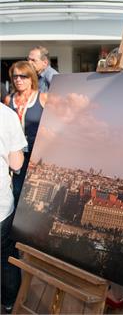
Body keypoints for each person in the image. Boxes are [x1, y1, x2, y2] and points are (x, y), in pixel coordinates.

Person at [4, 61, 47, 207]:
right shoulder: (9, 100)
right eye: (15, 76)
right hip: (16, 153)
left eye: (23, 76)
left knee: (36, 194)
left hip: (37, 155)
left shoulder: (43, 98)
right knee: (17, 191)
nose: (18, 80)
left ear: (31, 78)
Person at [0, 103, 27, 313]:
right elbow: (17, 164)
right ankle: (10, 303)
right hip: (1, 208)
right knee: (7, 257)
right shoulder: (6, 115)